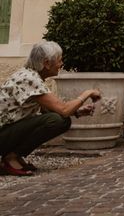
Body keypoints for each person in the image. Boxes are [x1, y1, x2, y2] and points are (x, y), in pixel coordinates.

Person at [0, 41, 100, 176]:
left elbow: (48, 109)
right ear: (46, 63)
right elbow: (63, 109)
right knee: (57, 120)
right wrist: (87, 93)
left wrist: (76, 111)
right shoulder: (29, 79)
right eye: (59, 60)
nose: (61, 64)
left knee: (60, 119)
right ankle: (10, 158)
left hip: (6, 131)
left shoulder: (31, 76)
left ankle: (14, 156)